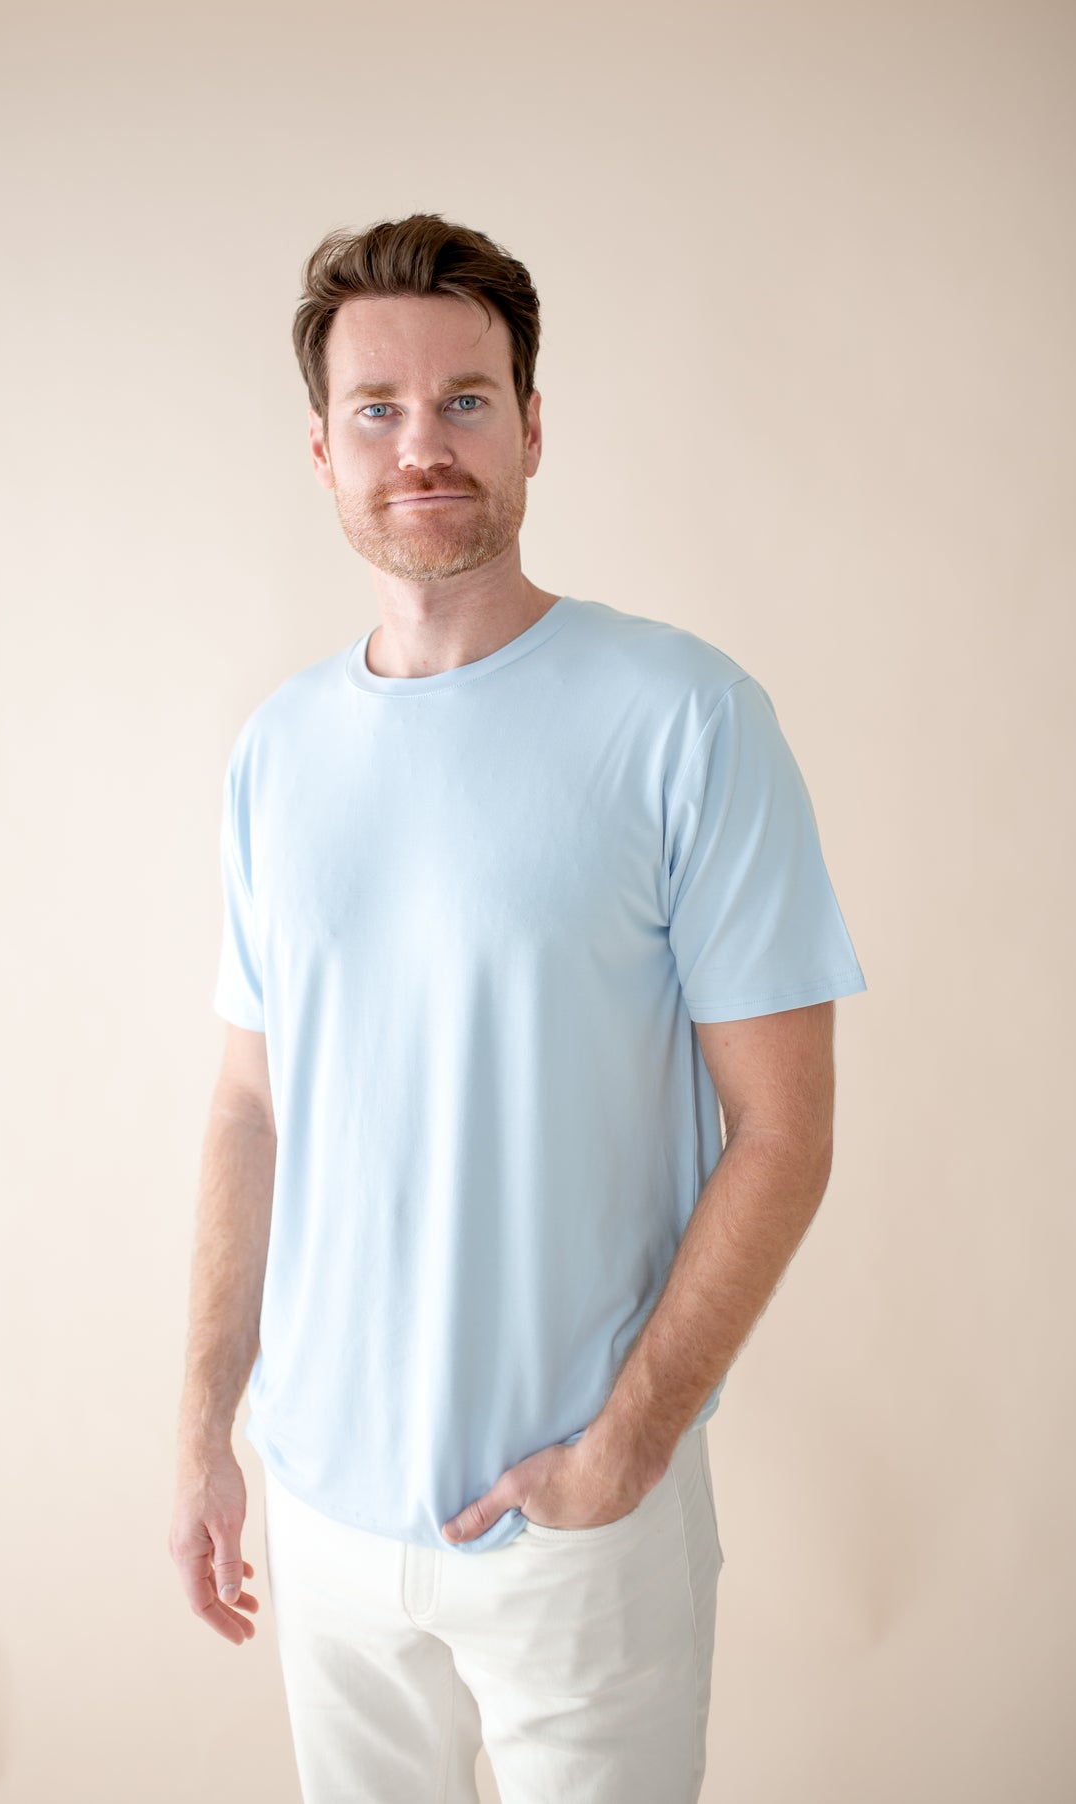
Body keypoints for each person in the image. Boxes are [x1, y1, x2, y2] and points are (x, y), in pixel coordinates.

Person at [169, 211, 867, 1803]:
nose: (424, 444)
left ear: (534, 425)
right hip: (327, 1517)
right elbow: (249, 1107)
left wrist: (627, 1448)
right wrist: (208, 1428)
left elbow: (786, 1129)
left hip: (576, 1529)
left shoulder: (686, 718)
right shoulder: (275, 755)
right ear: (324, 449)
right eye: (379, 410)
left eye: (467, 400)